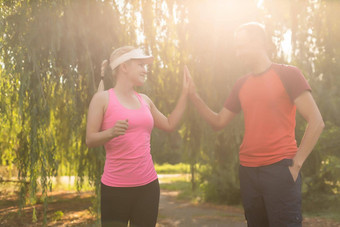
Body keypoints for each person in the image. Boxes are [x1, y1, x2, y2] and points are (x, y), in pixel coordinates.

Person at [186, 22, 324, 227]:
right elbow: (218, 122)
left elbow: (317, 122)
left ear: (259, 42)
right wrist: (194, 96)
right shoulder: (241, 84)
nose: (237, 53)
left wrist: (296, 164)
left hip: (280, 170)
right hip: (248, 171)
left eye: (241, 46)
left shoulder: (289, 74)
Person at [86, 46, 190, 226]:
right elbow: (90, 139)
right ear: (124, 67)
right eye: (140, 65)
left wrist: (185, 94)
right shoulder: (102, 99)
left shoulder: (145, 100)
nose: (145, 69)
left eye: (146, 65)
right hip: (115, 189)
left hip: (148, 187)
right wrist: (111, 132)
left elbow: (170, 124)